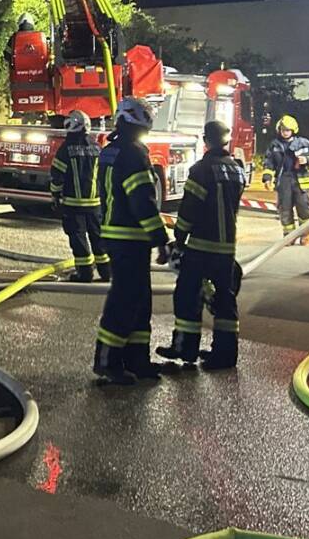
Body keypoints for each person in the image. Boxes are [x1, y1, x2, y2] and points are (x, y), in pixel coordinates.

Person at [157, 121, 247, 370]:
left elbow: (189, 210)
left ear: (206, 140)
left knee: (187, 295)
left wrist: (180, 238)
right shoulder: (238, 169)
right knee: (225, 300)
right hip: (226, 248)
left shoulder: (201, 170)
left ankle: (185, 348)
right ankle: (225, 354)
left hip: (200, 246)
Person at [93, 97, 170, 386]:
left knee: (138, 300)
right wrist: (161, 238)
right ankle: (108, 361)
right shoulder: (135, 153)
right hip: (130, 238)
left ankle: (137, 360)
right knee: (125, 301)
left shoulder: (110, 151)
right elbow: (142, 202)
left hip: (116, 236)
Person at [49, 109, 109, 283]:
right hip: (95, 203)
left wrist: (55, 195)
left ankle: (85, 274)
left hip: (73, 204)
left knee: (78, 238)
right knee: (98, 237)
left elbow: (57, 176)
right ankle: (106, 272)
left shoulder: (66, 149)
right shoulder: (97, 147)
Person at [263, 114, 309, 241]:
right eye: (283, 130)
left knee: (304, 209)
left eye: (287, 130)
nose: (285, 133)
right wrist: (267, 178)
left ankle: (306, 236)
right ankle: (288, 237)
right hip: (284, 181)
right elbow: (269, 163)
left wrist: (306, 159)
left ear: (293, 130)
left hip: (300, 181)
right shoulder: (275, 145)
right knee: (285, 209)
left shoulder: (303, 143)